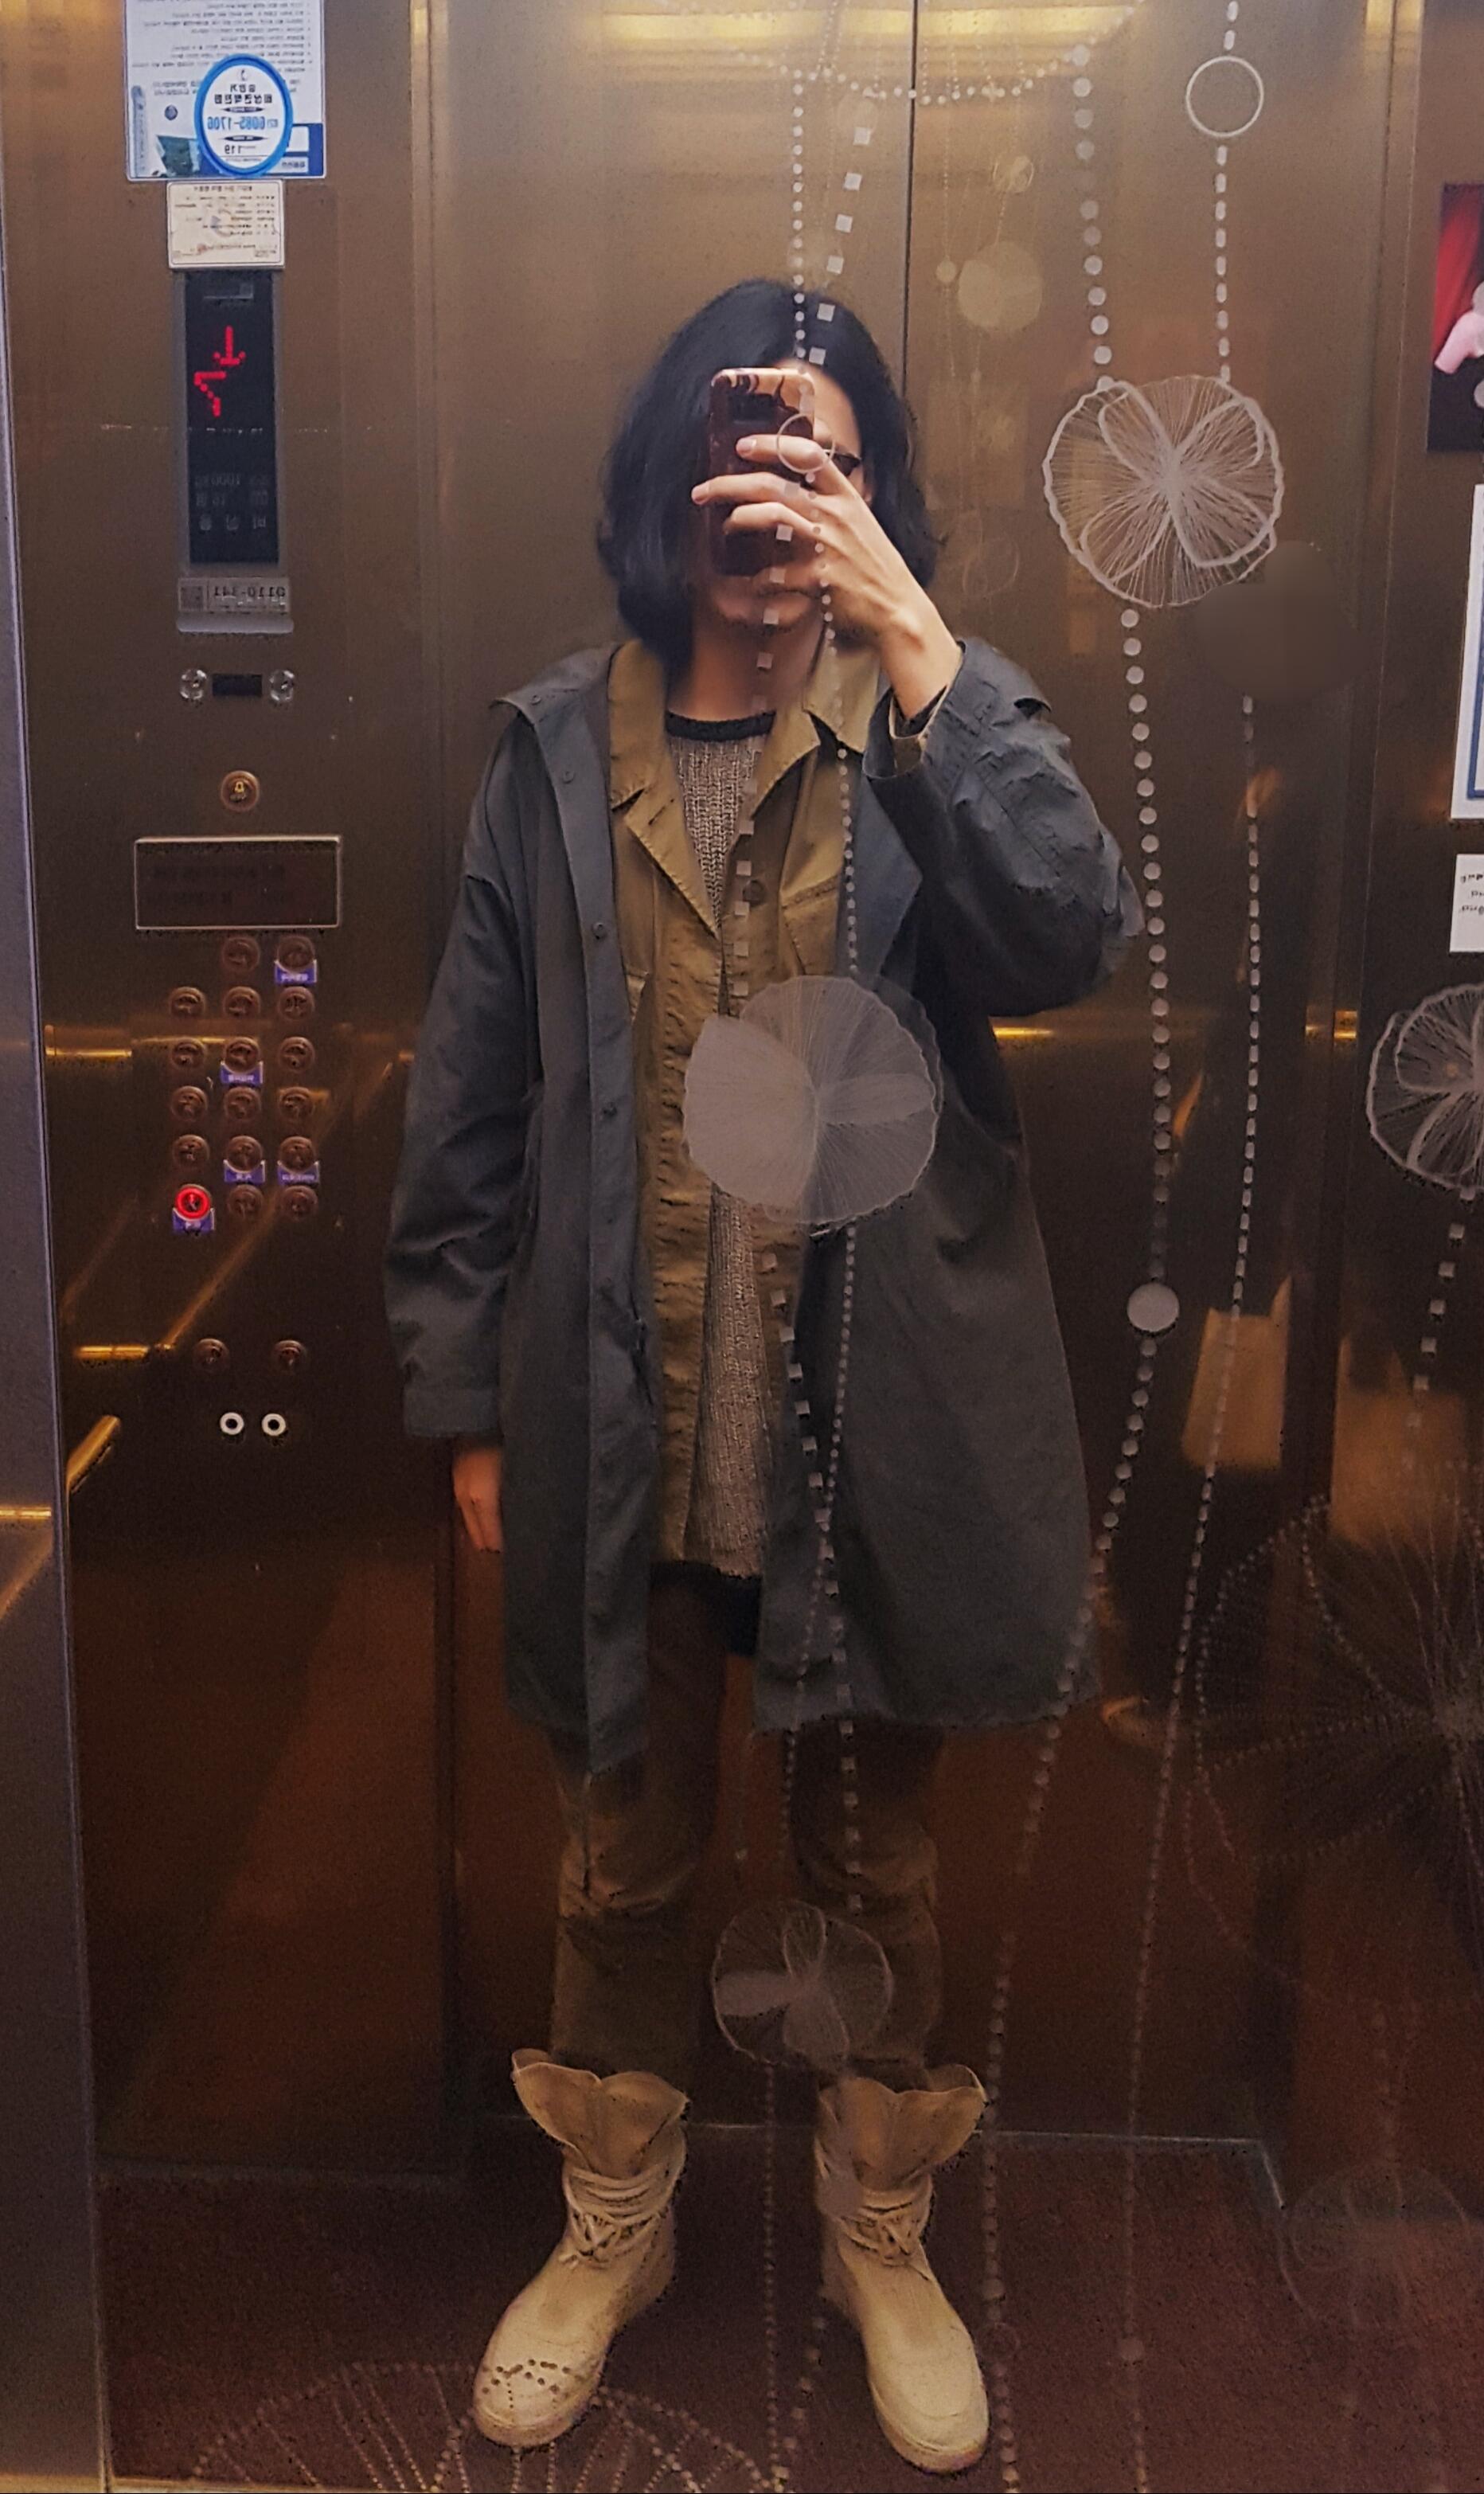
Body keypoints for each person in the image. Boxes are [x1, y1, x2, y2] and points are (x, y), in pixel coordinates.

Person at [384, 277, 1141, 2476]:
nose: (770, 504)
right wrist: (464, 1402)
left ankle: (874, 2236)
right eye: (736, 459)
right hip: (620, 1420)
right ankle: (611, 2227)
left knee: (871, 1862)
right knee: (619, 1856)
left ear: (874, 494)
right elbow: (471, 1101)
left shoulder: (934, 727)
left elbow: (1069, 935)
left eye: (822, 461)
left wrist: (917, 640)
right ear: (660, 485)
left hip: (870, 1436)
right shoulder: (552, 755)